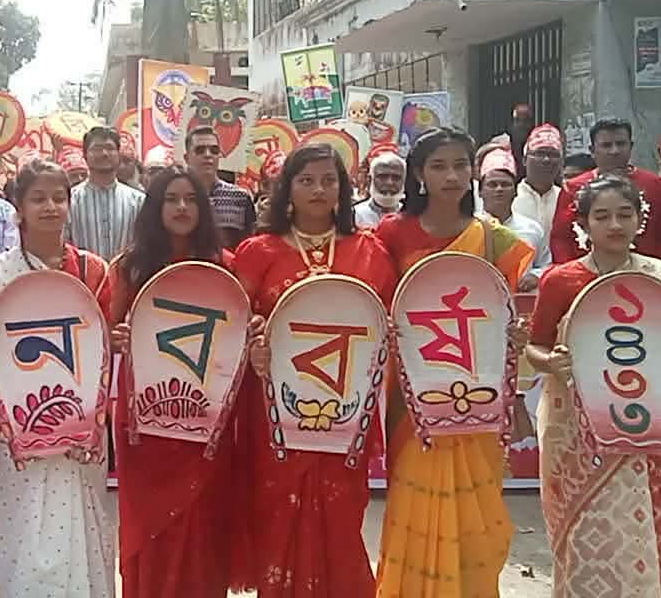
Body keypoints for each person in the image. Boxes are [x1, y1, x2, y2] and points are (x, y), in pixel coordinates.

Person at [528, 174, 661, 596]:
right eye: (602, 216)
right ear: (583, 223)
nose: (615, 225)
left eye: (624, 214)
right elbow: (535, 347)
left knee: (645, 528)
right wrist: (552, 362)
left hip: (647, 427)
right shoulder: (560, 280)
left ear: (640, 219)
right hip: (575, 432)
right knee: (583, 530)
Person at [374, 127, 534, 597]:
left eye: (461, 165)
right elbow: (379, 304)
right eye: (438, 166)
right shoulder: (390, 234)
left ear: (473, 173)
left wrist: (515, 334)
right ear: (419, 174)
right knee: (414, 500)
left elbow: (500, 313)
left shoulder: (494, 240)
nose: (451, 176)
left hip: (477, 395)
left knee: (477, 513)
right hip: (414, 397)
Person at [233, 144, 398, 598]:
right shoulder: (258, 252)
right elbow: (237, 324)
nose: (319, 190)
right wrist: (253, 344)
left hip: (346, 411)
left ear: (344, 189)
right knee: (277, 513)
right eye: (306, 180)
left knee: (342, 516)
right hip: (275, 415)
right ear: (287, 189)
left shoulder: (370, 251)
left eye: (329, 180)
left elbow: (387, 324)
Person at [0, 158, 115, 597]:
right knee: (24, 522)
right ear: (18, 208)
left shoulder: (95, 272)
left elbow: (108, 345)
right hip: (17, 430)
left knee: (87, 519)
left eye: (59, 198)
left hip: (83, 425)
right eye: (38, 198)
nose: (50, 207)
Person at [100, 166, 234, 597]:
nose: (181, 207)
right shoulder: (129, 267)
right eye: (171, 199)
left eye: (191, 199)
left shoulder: (224, 266)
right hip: (147, 420)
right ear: (154, 207)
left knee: (204, 519)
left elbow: (239, 329)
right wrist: (116, 338)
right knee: (150, 524)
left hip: (207, 414)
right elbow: (105, 331)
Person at [550, 119, 661, 265]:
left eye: (621, 144)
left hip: (646, 272)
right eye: (606, 145)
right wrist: (573, 272)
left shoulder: (657, 186)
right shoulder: (572, 188)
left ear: (631, 146)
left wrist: (660, 272)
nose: (615, 151)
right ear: (592, 150)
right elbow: (561, 239)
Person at [68, 127, 145, 261]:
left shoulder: (138, 200)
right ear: (85, 155)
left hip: (125, 272)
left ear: (118, 155)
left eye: (110, 148)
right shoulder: (70, 200)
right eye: (97, 149)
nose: (104, 153)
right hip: (82, 273)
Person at [478, 148, 551, 291]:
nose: (499, 189)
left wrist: (535, 276)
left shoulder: (532, 228)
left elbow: (546, 264)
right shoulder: (470, 228)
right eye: (492, 184)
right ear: (480, 191)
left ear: (516, 191)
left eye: (505, 184)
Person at [186, 126, 256, 248]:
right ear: (186, 158)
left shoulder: (240, 197)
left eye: (214, 150)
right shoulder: (178, 197)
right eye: (200, 150)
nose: (208, 155)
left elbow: (249, 245)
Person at [512, 123, 564, 231]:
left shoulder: (565, 199)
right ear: (524, 160)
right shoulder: (510, 197)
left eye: (553, 155)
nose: (546, 160)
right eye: (539, 153)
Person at [352, 145, 405, 230]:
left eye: (396, 177)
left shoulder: (411, 216)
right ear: (370, 179)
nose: (389, 183)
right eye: (383, 177)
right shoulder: (354, 215)